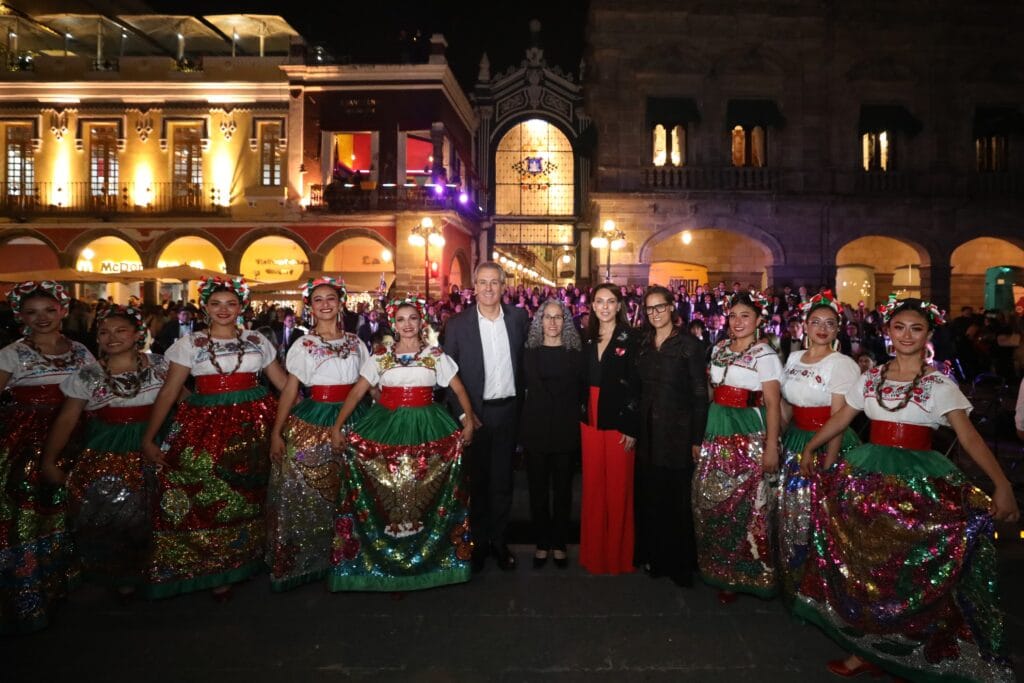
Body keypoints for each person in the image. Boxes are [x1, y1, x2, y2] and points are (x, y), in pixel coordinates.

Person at [795, 296, 1019, 682]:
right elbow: (843, 417)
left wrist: (1002, 484)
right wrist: (812, 446)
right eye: (899, 327)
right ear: (888, 332)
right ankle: (866, 648)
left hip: (919, 485)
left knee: (910, 571)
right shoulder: (871, 377)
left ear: (929, 334)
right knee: (867, 567)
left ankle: (909, 650)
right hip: (868, 479)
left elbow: (969, 438)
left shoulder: (938, 384)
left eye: (916, 328)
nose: (906, 335)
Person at [141, 276, 287, 601]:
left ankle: (247, 557)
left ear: (241, 307)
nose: (223, 310)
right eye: (216, 303)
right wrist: (149, 438)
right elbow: (169, 391)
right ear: (205, 307)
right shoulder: (189, 343)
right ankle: (211, 563)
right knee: (203, 485)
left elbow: (282, 383)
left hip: (255, 423)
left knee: (253, 490)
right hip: (204, 422)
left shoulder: (256, 340)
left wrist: (306, 418)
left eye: (231, 303)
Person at [328, 296, 477, 591]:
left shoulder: (435, 355)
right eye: (401, 319)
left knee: (426, 495)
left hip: (429, 426)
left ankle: (431, 561)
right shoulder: (380, 356)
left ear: (421, 322)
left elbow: (459, 389)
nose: (407, 324)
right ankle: (387, 564)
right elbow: (358, 392)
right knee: (390, 492)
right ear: (393, 325)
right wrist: (337, 427)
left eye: (413, 318)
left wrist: (469, 421)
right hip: (386, 426)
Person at [40, 306, 169, 599]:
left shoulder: (161, 365)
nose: (112, 337)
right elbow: (67, 419)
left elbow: (182, 400)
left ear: (138, 334)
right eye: (104, 332)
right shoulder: (88, 375)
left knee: (158, 508)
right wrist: (49, 461)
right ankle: (123, 574)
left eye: (121, 330)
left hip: (154, 439)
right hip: (108, 447)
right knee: (116, 512)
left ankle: (157, 568)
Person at [0, 281, 95, 633]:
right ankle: (26, 592)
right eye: (31, 312)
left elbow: (97, 390)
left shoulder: (81, 352)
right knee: (26, 512)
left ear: (63, 311)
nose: (41, 318)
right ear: (20, 316)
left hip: (76, 437)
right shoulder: (12, 354)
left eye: (49, 310)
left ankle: (58, 582)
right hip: (24, 443)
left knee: (65, 511)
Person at [266, 278, 368, 591]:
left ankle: (353, 557)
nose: (325, 304)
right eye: (318, 300)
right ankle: (314, 558)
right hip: (314, 417)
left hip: (355, 417)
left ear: (341, 303)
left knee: (353, 490)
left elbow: (370, 385)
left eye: (331, 298)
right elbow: (290, 389)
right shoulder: (303, 344)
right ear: (310, 307)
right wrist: (277, 432)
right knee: (310, 492)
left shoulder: (356, 342)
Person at [693, 290, 783, 604]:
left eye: (745, 316)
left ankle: (752, 573)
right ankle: (722, 570)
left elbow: (773, 403)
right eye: (733, 315)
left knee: (750, 506)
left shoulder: (765, 354)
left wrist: (771, 447)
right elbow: (710, 390)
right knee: (716, 501)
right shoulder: (719, 348)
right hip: (717, 427)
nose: (738, 321)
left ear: (759, 320)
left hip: (748, 431)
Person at [442, 262, 527, 572]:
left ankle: (500, 542)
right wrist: (464, 415)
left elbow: (525, 363)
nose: (489, 288)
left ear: (504, 287)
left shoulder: (518, 319)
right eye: (483, 282)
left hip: (508, 412)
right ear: (474, 287)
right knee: (477, 483)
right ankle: (477, 544)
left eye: (494, 282)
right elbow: (448, 375)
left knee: (503, 482)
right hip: (475, 415)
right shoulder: (456, 324)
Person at [777, 291, 860, 603]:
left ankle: (824, 588)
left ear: (838, 328)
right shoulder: (793, 358)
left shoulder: (842, 364)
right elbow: (787, 405)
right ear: (805, 325)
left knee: (823, 515)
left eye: (830, 323)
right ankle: (797, 581)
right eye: (816, 322)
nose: (822, 329)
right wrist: (775, 437)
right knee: (794, 514)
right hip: (795, 439)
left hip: (826, 441)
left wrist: (830, 464)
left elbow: (838, 418)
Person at [634, 286, 708, 587]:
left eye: (660, 307)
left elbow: (700, 395)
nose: (655, 313)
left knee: (677, 501)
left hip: (678, 432)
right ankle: (657, 557)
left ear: (671, 307)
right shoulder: (644, 342)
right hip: (648, 432)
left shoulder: (689, 345)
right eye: (650, 308)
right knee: (653, 497)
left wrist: (697, 439)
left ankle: (680, 564)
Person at [579, 283, 639, 575]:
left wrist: (631, 425)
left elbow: (637, 384)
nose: (604, 306)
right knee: (592, 487)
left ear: (618, 306)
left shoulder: (632, 337)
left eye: (610, 301)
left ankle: (618, 555)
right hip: (589, 417)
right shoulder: (585, 337)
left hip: (619, 419)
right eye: (599, 301)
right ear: (592, 306)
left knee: (618, 488)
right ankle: (593, 554)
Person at [519, 299, 583, 569]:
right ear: (540, 321)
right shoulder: (529, 352)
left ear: (565, 321)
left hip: (565, 430)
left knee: (563, 491)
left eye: (558, 317)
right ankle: (542, 542)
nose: (553, 322)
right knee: (538, 490)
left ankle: (559, 543)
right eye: (548, 317)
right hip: (536, 429)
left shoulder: (575, 352)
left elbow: (578, 391)